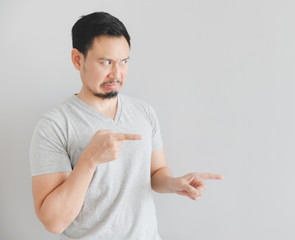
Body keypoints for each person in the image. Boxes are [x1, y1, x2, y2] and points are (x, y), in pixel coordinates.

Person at [30, 11, 223, 239]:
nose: (117, 73)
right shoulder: (54, 126)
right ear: (77, 59)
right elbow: (54, 222)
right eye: (106, 62)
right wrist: (89, 160)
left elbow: (156, 172)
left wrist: (173, 183)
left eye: (124, 62)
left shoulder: (144, 112)